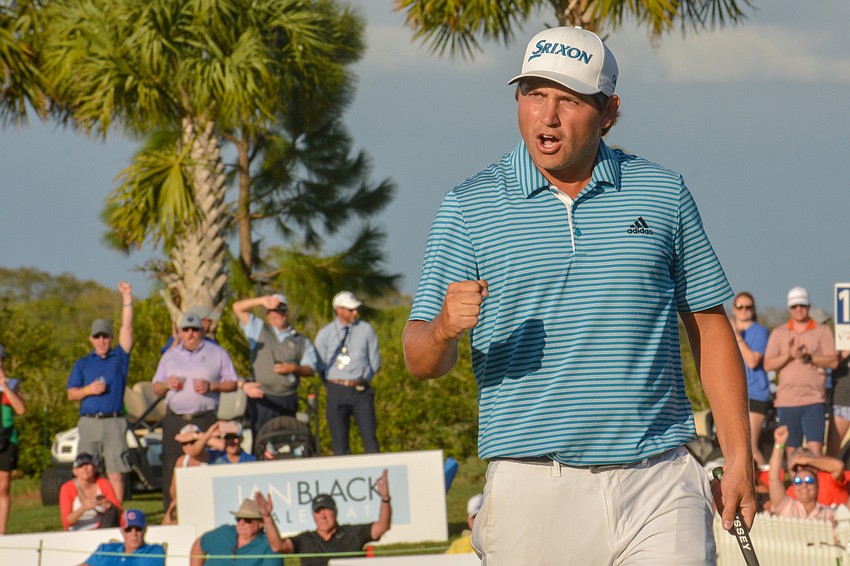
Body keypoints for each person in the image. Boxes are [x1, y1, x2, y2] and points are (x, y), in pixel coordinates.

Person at [402, 26, 755, 564]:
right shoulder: (469, 206)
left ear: (608, 112)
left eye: (569, 100)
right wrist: (443, 329)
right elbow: (419, 359)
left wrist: (740, 456)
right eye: (534, 94)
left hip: (659, 482)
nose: (547, 116)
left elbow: (709, 326)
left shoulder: (663, 192)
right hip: (531, 488)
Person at [152, 311, 239, 511]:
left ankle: (210, 509)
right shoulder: (170, 356)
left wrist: (212, 386)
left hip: (204, 419)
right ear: (179, 332)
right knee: (172, 467)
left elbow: (233, 383)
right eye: (186, 329)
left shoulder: (217, 353)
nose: (190, 334)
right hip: (176, 420)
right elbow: (156, 387)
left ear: (202, 330)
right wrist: (166, 385)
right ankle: (172, 513)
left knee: (207, 465)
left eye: (194, 329)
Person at [66, 282, 134, 502]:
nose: (102, 341)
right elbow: (71, 394)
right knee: (86, 472)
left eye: (105, 336)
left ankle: (117, 512)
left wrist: (126, 297)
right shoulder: (83, 363)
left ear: (111, 338)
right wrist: (88, 390)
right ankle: (89, 512)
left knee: (116, 471)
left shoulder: (119, 358)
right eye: (97, 337)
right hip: (89, 422)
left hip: (114, 421)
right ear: (91, 339)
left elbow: (127, 328)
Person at [764, 286, 838, 457]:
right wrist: (789, 355)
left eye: (802, 305)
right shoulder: (779, 333)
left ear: (809, 306)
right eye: (794, 306)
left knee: (816, 450)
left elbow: (833, 361)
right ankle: (794, 476)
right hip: (787, 402)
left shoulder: (822, 330)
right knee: (792, 451)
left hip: (814, 400)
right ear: (789, 308)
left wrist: (809, 357)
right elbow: (768, 364)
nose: (799, 309)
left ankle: (814, 475)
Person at [263, 468, 391, 566]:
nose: (323, 516)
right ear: (313, 516)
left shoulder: (352, 533)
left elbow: (382, 526)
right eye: (318, 512)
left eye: (326, 510)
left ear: (335, 512)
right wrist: (267, 517)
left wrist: (385, 499)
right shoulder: (305, 540)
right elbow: (278, 546)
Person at [232, 293, 319, 438]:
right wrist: (262, 300)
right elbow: (237, 307)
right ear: (268, 313)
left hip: (288, 398)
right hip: (262, 397)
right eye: (274, 310)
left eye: (282, 309)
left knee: (286, 440)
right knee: (262, 439)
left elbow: (311, 369)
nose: (278, 314)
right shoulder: (258, 329)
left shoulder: (300, 340)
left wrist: (293, 368)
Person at [314, 291, 381, 455]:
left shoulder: (366, 329)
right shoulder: (325, 333)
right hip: (336, 390)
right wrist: (332, 383)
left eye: (356, 309)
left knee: (370, 439)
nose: (355, 313)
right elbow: (319, 364)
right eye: (351, 310)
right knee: (339, 442)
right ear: (339, 310)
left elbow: (375, 361)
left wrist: (365, 379)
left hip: (361, 390)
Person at [731, 292, 771, 466]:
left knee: (751, 447)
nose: (744, 311)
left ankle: (766, 481)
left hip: (755, 393)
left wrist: (737, 337)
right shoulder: (726, 331)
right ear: (734, 309)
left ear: (754, 309)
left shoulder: (760, 332)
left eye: (748, 307)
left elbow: (753, 361)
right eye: (740, 307)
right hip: (734, 393)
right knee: (736, 448)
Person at [768, 426, 835, 522]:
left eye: (809, 480)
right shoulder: (785, 505)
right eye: (798, 481)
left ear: (818, 485)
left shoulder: (829, 514)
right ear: (793, 486)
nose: (804, 485)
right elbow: (774, 478)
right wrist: (779, 443)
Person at [189, 498, 282, 566]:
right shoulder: (224, 533)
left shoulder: (269, 546)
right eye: (238, 518)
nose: (241, 523)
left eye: (247, 520)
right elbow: (199, 545)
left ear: (261, 523)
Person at [59, 452, 122, 531]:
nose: (85, 468)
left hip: (101, 528)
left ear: (94, 468)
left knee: (112, 512)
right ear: (75, 471)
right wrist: (83, 508)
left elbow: (120, 512)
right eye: (81, 466)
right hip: (77, 531)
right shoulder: (67, 488)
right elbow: (66, 521)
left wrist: (111, 505)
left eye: (88, 465)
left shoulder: (103, 483)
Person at [80, 508, 166, 566]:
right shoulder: (106, 549)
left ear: (145, 529)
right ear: (122, 531)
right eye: (128, 529)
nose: (134, 533)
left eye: (138, 529)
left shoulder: (154, 551)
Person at [0, 344, 26, 534]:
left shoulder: (12, 384)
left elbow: (21, 409)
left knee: (3, 486)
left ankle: (1, 534)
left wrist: (5, 387)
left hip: (7, 439)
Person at [162, 424, 210, 525]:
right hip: (187, 499)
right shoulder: (182, 461)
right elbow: (173, 490)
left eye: (192, 442)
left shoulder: (211, 457)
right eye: (184, 443)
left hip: (206, 499)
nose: (189, 446)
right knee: (173, 507)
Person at [783, 446, 850, 507]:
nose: (800, 469)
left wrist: (805, 460)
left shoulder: (827, 477)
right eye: (796, 467)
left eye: (804, 465)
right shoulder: (793, 490)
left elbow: (839, 467)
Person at [186, 420, 257, 465]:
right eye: (228, 438)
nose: (231, 442)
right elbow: (194, 454)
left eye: (234, 437)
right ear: (223, 440)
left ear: (242, 439)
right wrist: (209, 433)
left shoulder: (251, 460)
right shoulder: (215, 456)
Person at [828, 350, 850, 456]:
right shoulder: (841, 341)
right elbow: (828, 362)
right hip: (843, 399)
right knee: (833, 451)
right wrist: (845, 353)